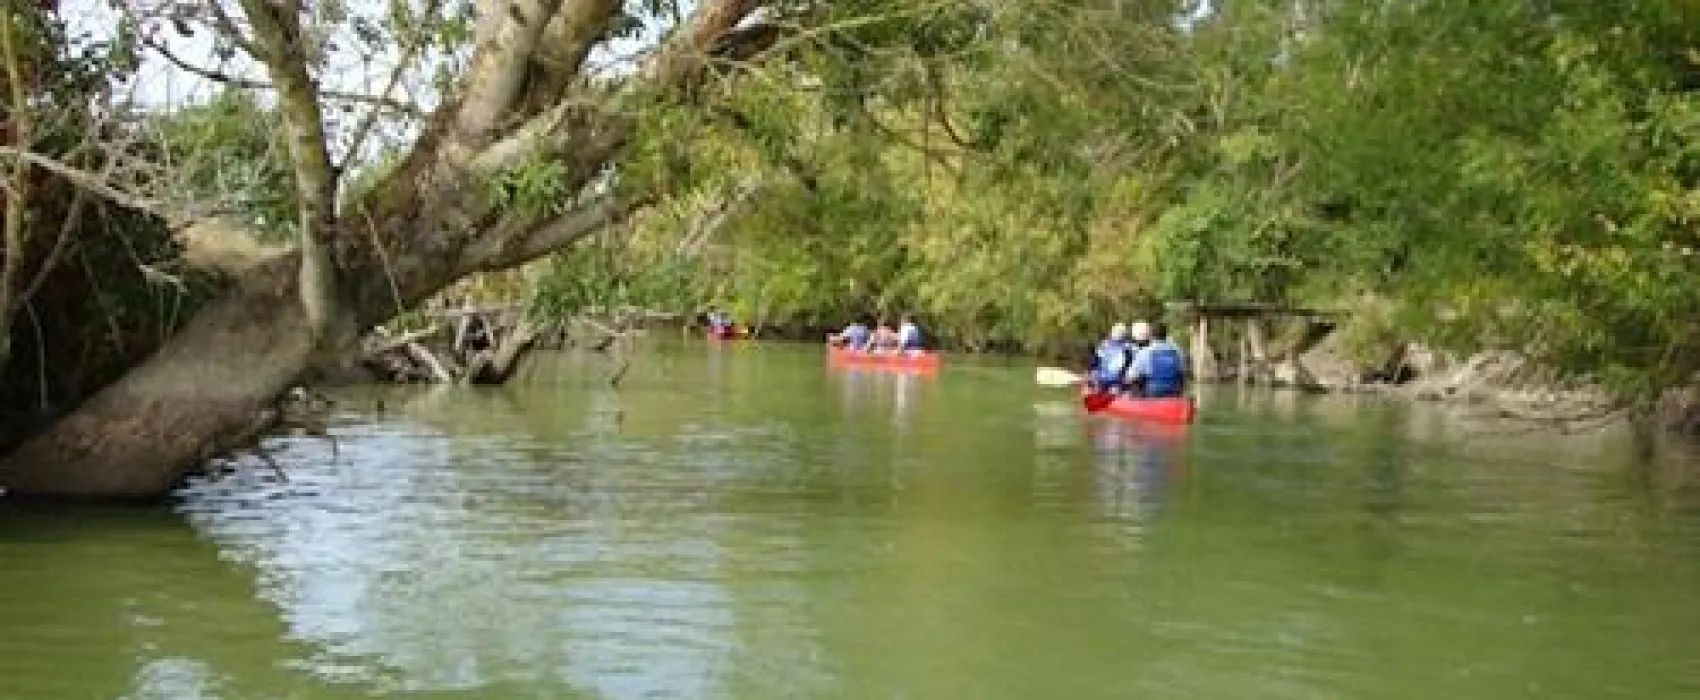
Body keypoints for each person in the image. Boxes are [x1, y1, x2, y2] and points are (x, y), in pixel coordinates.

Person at [1129, 321, 1188, 398]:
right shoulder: (1177, 351)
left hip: (1153, 391)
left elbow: (1131, 376)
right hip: (1174, 390)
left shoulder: (1145, 352)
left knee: (1136, 380)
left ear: (1151, 336)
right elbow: (1183, 372)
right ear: (1166, 335)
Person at [1086, 323, 1135, 393]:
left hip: (1113, 382)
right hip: (1107, 381)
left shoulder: (1127, 348)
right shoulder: (1104, 345)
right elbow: (1094, 362)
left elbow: (1094, 363)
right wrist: (1093, 376)